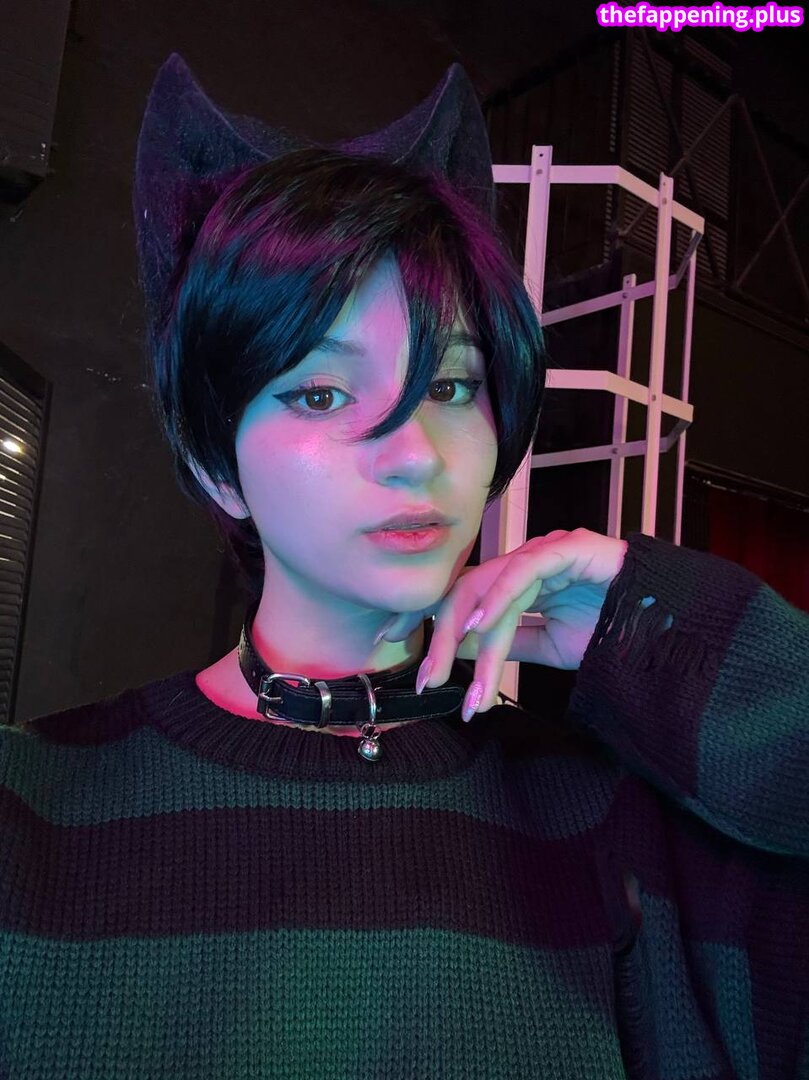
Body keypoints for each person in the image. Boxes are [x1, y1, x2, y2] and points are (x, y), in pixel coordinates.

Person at [0, 55, 806, 1080]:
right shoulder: (28, 811)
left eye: (452, 385)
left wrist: (663, 633)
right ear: (215, 462)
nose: (417, 453)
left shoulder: (603, 820)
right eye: (321, 394)